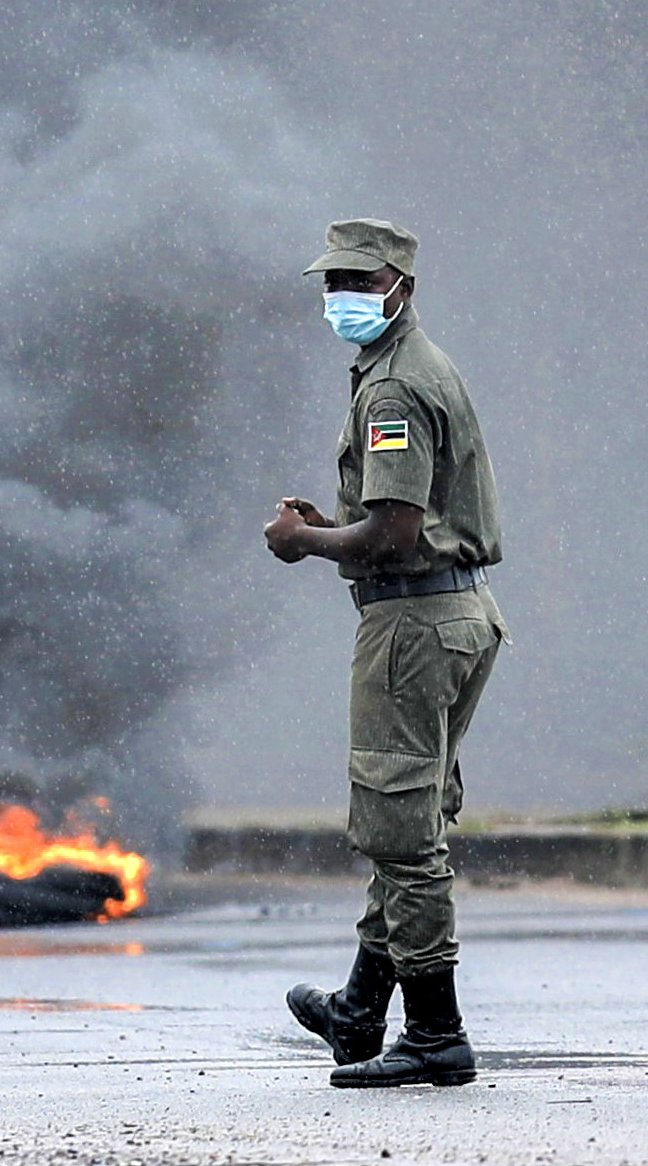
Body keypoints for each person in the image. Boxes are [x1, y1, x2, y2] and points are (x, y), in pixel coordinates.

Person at [262, 219, 504, 1089]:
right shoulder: (406, 366)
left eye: (357, 282)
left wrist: (302, 542)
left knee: (400, 830)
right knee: (407, 815)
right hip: (454, 614)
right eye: (330, 283)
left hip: (413, 627)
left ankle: (436, 1034)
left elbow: (396, 530)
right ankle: (362, 1009)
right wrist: (343, 532)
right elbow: (407, 523)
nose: (340, 299)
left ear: (400, 283)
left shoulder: (394, 390)